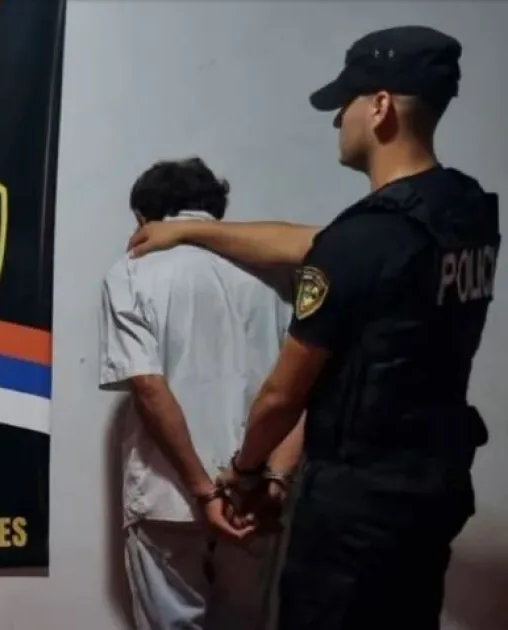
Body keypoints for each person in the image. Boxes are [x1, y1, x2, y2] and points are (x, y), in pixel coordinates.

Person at [126, 26, 499, 630]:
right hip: (431, 488)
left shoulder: (364, 241)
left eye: (346, 103)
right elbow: (316, 243)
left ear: (380, 107)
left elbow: (282, 395)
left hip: (354, 513)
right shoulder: (464, 211)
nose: (337, 121)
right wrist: (191, 229)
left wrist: (246, 473)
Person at [100, 157, 303, 630]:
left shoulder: (131, 271)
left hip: (167, 496)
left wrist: (202, 491)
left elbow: (149, 388)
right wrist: (276, 480)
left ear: (142, 218)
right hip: (255, 496)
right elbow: (299, 389)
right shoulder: (278, 273)